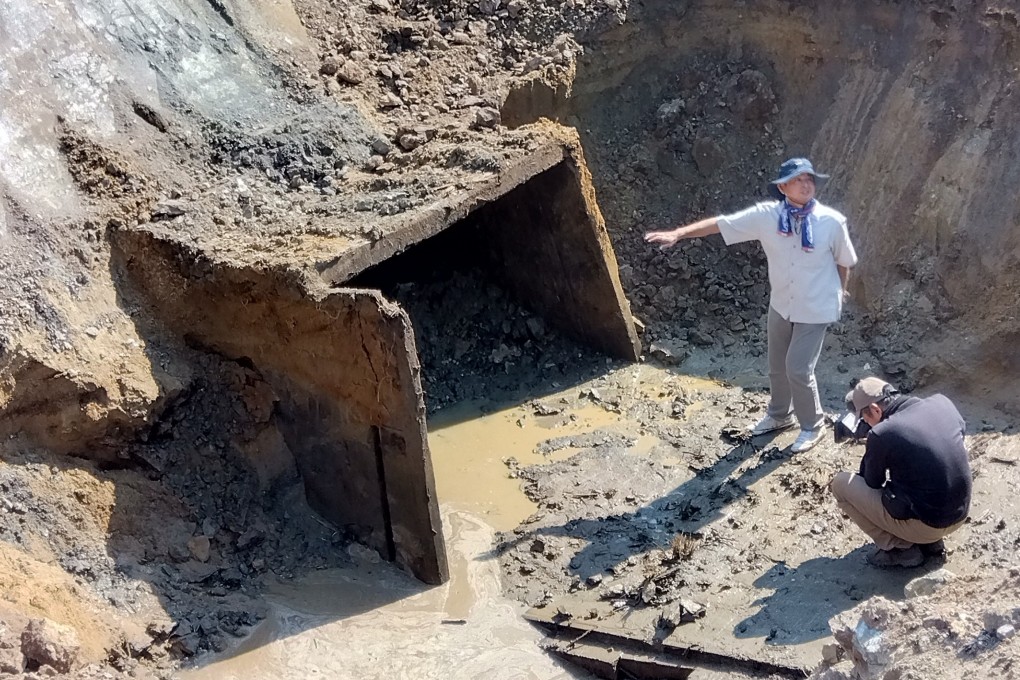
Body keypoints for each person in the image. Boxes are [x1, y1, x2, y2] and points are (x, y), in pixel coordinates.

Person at [644, 157, 858, 452]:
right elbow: (722, 224)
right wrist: (679, 234)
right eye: (798, 179)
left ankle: (812, 425)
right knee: (776, 366)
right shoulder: (766, 217)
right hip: (782, 302)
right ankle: (779, 415)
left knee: (797, 368)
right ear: (783, 187)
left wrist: (841, 293)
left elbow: (844, 262)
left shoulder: (832, 222)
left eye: (810, 179)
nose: (806, 184)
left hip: (817, 306)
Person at [830, 377, 972, 568]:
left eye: (864, 417)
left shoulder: (883, 433)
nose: (865, 422)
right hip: (959, 514)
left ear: (875, 409)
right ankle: (930, 543)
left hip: (929, 525)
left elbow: (872, 482)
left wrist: (875, 443)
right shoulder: (942, 402)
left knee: (840, 484)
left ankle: (901, 549)